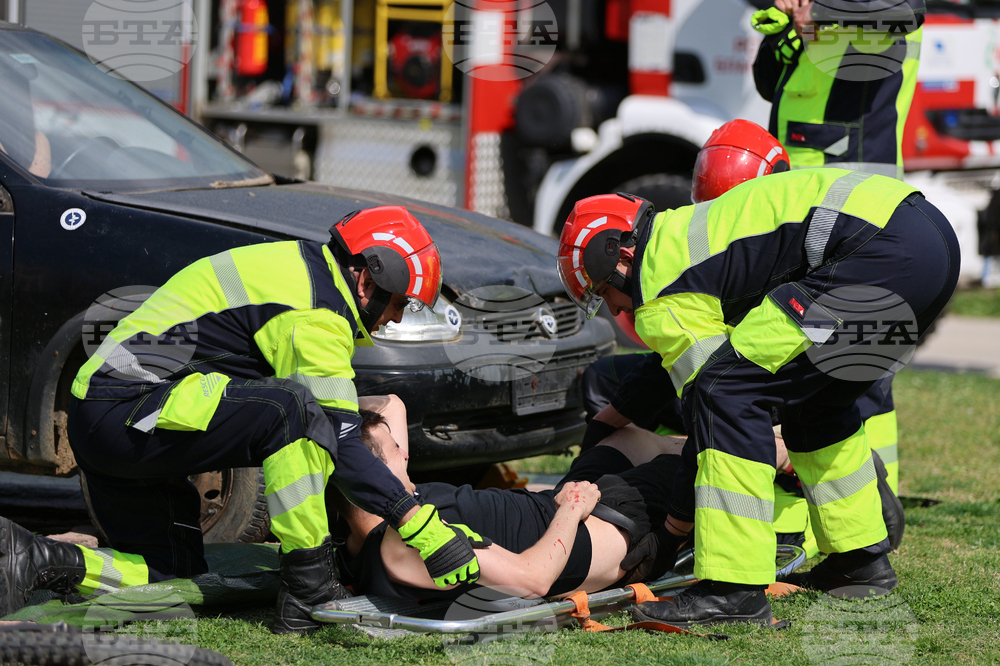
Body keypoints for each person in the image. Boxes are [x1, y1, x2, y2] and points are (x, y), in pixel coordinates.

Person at [556, 119, 959, 627]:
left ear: (618, 256)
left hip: (880, 255)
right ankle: (860, 565)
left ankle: (732, 592)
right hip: (924, 243)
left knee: (727, 393)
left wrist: (674, 526)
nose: (616, 312)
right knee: (817, 403)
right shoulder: (687, 242)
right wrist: (621, 411)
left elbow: (708, 403)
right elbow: (677, 367)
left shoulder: (659, 286)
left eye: (604, 294)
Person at [32, 206, 487, 634]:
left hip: (110, 414)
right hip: (126, 410)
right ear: (368, 279)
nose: (395, 318)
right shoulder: (314, 315)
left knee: (171, 576)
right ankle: (308, 583)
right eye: (399, 304)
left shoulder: (303, 272)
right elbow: (339, 440)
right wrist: (423, 528)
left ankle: (40, 560)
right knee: (293, 410)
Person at [752, 0, 927, 493]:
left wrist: (818, 17)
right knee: (811, 363)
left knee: (861, 363)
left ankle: (874, 495)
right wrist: (785, 32)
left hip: (858, 209)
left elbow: (905, 12)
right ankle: (849, 492)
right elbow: (772, 85)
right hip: (802, 209)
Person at [331, 409, 690, 600]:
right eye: (395, 449)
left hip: (558, 502)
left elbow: (392, 402)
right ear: (373, 473)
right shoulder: (407, 542)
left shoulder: (384, 518)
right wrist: (572, 508)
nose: (406, 453)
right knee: (699, 459)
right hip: (596, 527)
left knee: (629, 437)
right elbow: (532, 579)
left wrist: (328, 425)